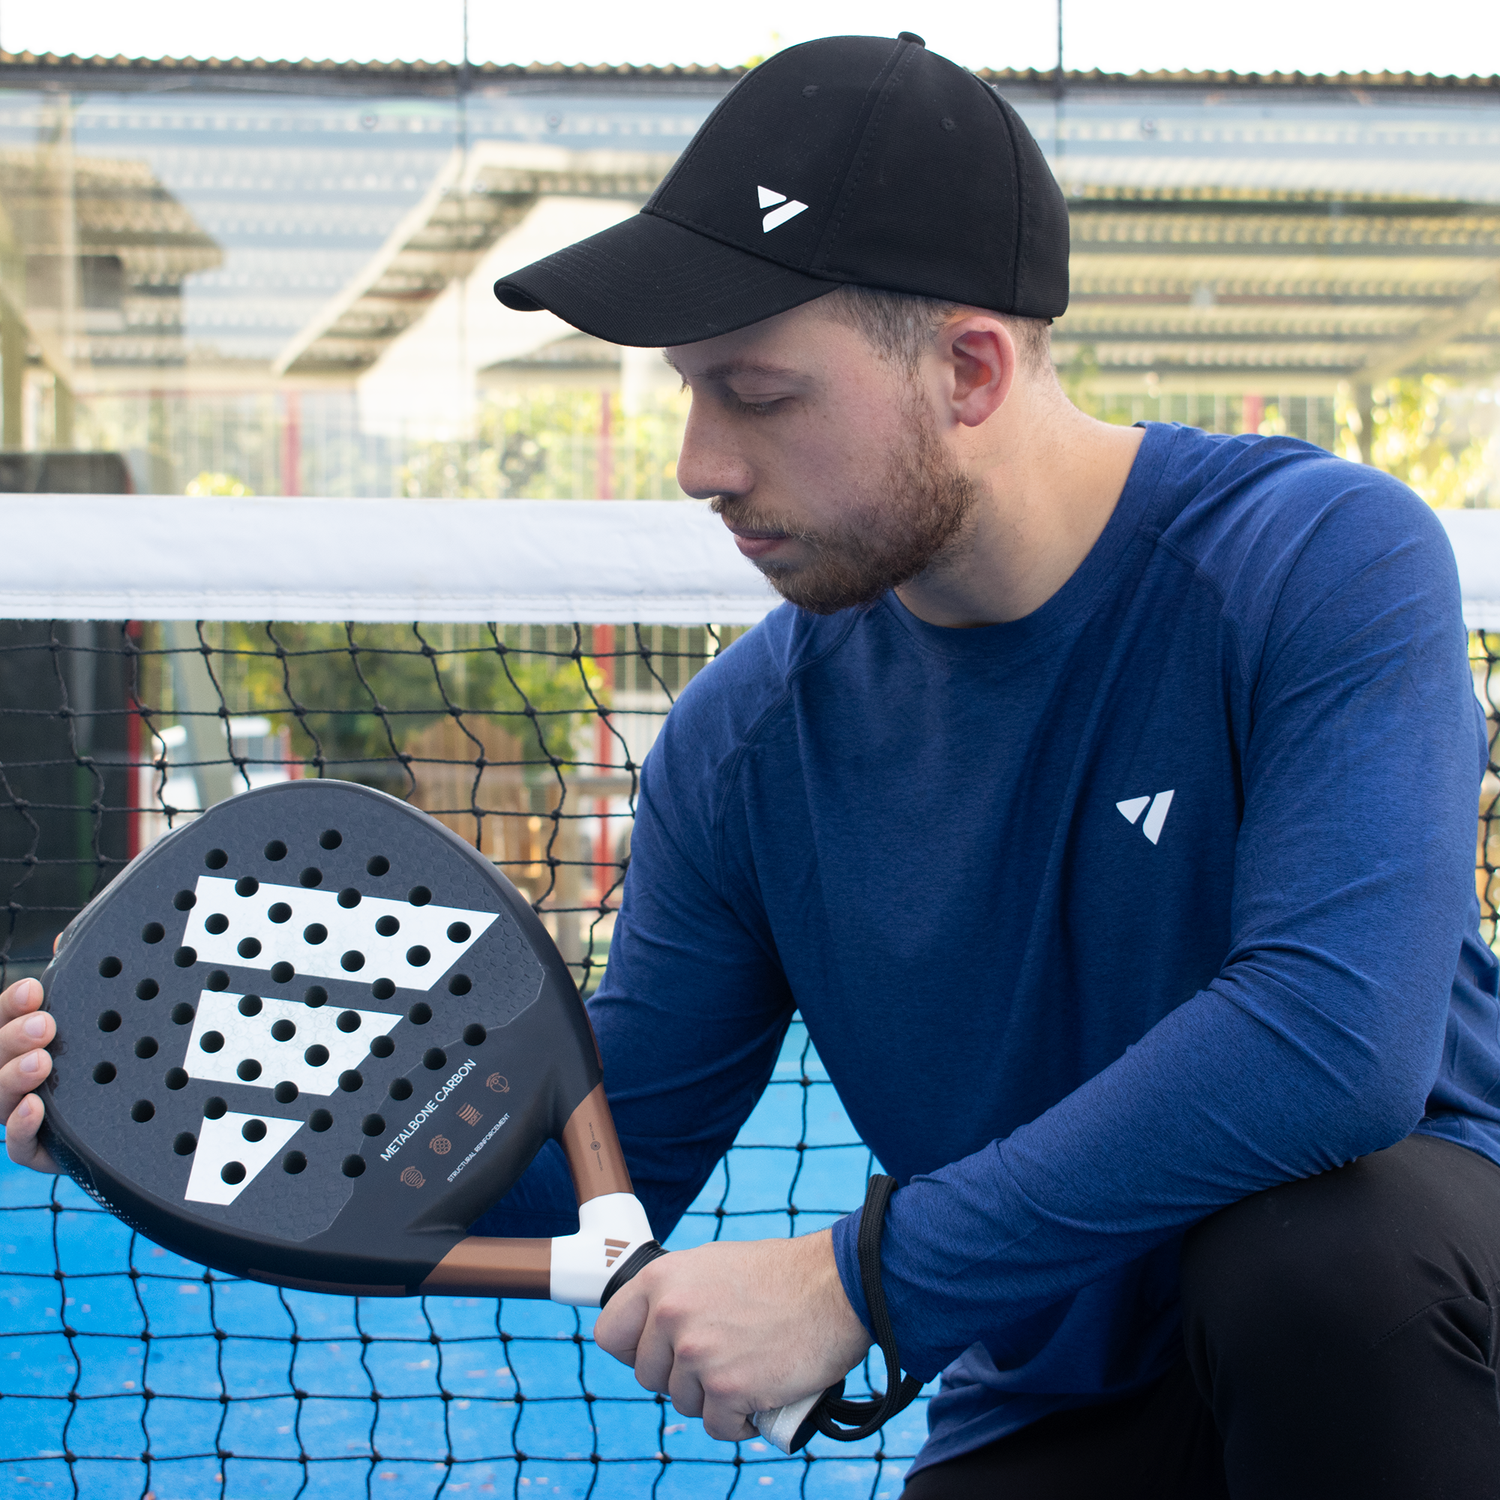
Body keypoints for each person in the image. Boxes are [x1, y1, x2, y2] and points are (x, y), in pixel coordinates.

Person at [5, 32, 1500, 1498]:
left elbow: (1331, 1043)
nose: (699, 462)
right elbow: (605, 1160)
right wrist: (173, 1113)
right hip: (1056, 1392)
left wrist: (863, 1277)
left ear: (970, 369)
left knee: (1316, 1263)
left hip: (1414, 1334)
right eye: (688, 393)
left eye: (759, 393)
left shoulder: (1317, 561)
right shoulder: (742, 742)